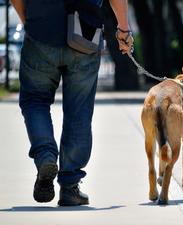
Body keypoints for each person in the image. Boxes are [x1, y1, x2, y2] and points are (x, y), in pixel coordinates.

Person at [11, 0, 133, 206]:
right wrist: (123, 30)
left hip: (41, 33)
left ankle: (45, 155)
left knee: (35, 101)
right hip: (84, 34)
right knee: (79, 110)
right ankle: (69, 186)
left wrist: (28, 21)